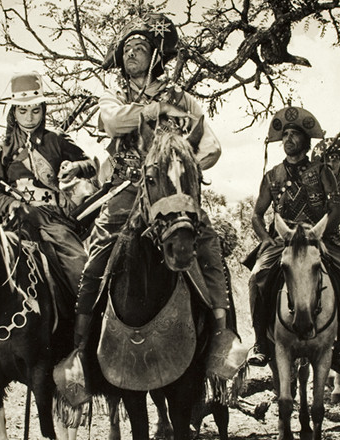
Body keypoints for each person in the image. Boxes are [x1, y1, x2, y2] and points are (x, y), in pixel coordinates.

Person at [73, 12, 236, 378]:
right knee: (96, 255)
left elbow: (212, 147)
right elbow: (114, 123)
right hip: (126, 191)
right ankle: (81, 351)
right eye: (126, 49)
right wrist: (151, 109)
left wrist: (178, 164)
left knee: (208, 245)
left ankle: (222, 338)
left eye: (140, 47)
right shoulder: (112, 97)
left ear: (156, 56)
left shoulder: (184, 99)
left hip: (172, 191)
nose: (132, 53)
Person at [247, 105, 340, 376]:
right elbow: (256, 215)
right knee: (256, 278)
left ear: (306, 142)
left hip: (322, 240)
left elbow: (335, 212)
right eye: (284, 135)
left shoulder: (323, 172)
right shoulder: (272, 176)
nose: (288, 139)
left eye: (294, 135)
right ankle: (261, 343)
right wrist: (265, 240)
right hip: (283, 243)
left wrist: (316, 234)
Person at [0, 72, 96, 300]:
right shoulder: (1, 149)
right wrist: (14, 205)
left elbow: (90, 164)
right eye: (22, 111)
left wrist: (75, 167)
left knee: (80, 265)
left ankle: (85, 327)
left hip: (53, 220)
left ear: (43, 110)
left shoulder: (56, 139)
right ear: (14, 113)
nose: (29, 117)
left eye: (36, 110)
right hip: (15, 220)